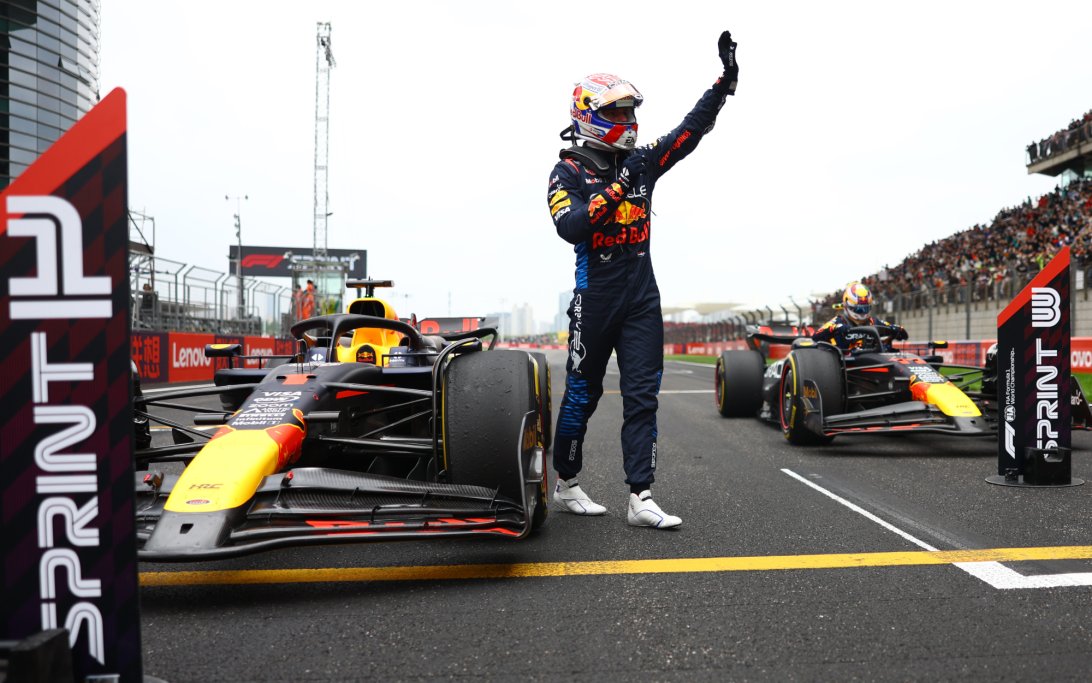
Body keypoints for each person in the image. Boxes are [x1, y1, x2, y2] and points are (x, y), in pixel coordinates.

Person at [546, 30, 739, 529]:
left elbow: (688, 132)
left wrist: (723, 85)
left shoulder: (641, 161)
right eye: (616, 111)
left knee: (642, 398)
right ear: (588, 115)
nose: (627, 120)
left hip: (641, 299)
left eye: (629, 110)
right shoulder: (566, 172)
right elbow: (571, 227)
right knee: (582, 397)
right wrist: (620, 186)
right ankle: (566, 483)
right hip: (595, 299)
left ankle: (641, 496)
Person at [812, 282, 909, 352]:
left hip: (876, 364)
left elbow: (901, 333)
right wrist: (835, 328)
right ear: (847, 305)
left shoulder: (874, 322)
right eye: (858, 309)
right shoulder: (837, 322)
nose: (862, 313)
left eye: (865, 308)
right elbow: (815, 337)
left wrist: (898, 330)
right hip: (847, 367)